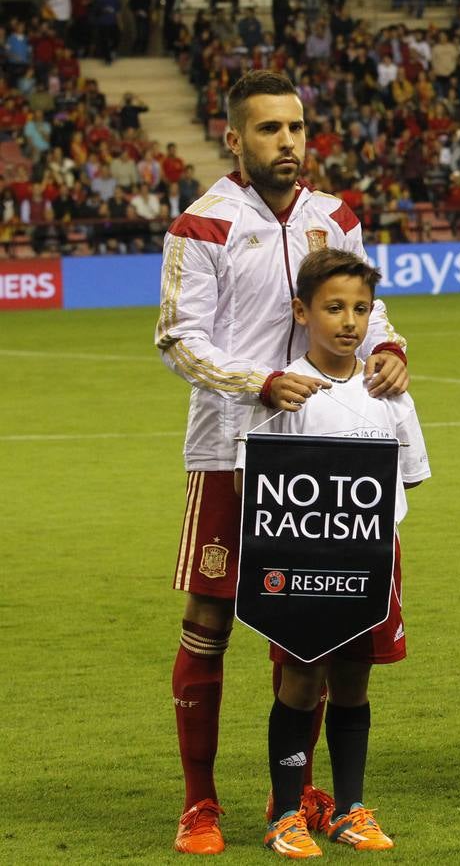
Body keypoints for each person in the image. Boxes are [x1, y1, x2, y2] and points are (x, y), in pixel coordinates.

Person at [156, 70, 409, 855]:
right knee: (208, 621)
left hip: (327, 451)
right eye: (269, 130)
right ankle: (200, 804)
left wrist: (391, 346)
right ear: (235, 137)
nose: (288, 143)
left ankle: (288, 796)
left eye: (296, 128)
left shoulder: (338, 218)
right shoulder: (203, 225)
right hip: (230, 450)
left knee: (313, 624)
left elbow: (367, 307)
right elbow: (177, 339)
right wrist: (257, 382)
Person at [236, 250, 430, 855]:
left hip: (372, 557)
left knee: (353, 682)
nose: (350, 321)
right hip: (301, 560)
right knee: (300, 680)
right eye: (334, 307)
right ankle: (286, 814)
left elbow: (412, 473)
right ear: (302, 311)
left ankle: (350, 809)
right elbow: (250, 478)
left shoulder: (387, 392)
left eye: (361, 309)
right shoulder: (286, 392)